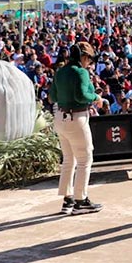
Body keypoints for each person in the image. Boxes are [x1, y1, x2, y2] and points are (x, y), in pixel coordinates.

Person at [49, 41, 102, 215]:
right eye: (89, 59)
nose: (90, 63)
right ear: (83, 57)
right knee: (85, 159)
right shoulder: (81, 72)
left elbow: (52, 96)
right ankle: (81, 201)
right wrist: (95, 96)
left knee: (68, 160)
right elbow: (81, 96)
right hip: (76, 117)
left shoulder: (60, 71)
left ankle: (67, 200)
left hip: (60, 117)